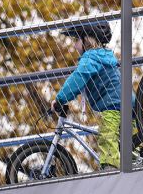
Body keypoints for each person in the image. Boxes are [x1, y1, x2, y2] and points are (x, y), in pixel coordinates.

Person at [52, 23, 123, 170]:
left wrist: (60, 99)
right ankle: (137, 160)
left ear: (87, 40)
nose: (75, 45)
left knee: (107, 136)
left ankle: (110, 170)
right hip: (123, 103)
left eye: (77, 40)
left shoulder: (91, 58)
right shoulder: (102, 55)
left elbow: (78, 78)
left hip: (114, 105)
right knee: (128, 142)